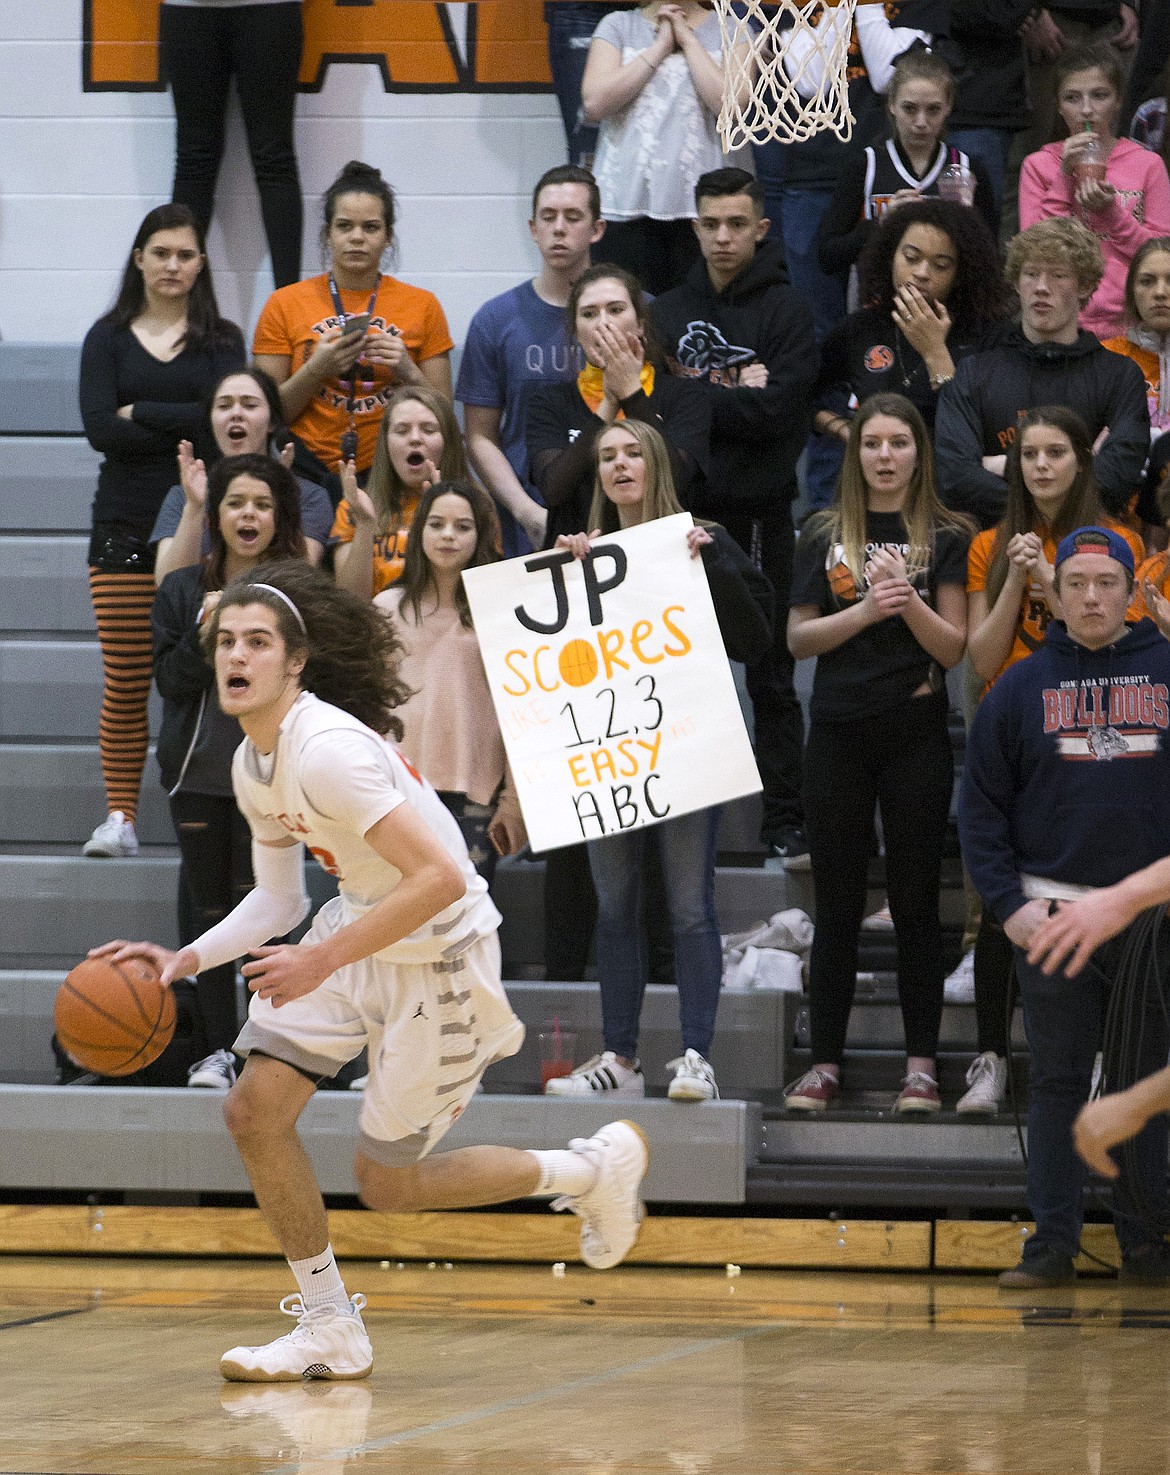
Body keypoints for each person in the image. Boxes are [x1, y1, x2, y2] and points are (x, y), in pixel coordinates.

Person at [93, 561, 650, 1381]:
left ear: (295, 662)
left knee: (386, 1185)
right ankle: (329, 1325)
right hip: (360, 926)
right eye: (226, 641)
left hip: (440, 954)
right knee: (252, 1111)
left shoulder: (326, 750)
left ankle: (589, 1171)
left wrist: (320, 959)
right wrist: (185, 958)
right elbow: (278, 899)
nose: (235, 655)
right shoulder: (255, 762)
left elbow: (443, 875)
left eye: (258, 641)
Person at [960, 525, 1170, 1288]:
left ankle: (1147, 1241)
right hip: (1052, 920)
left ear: (1129, 591)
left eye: (1106, 583)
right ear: (1056, 590)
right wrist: (1010, 907)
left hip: (1152, 922)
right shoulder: (1018, 686)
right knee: (1055, 1079)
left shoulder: (1168, 669)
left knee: (1146, 1079)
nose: (1090, 596)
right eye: (1076, 582)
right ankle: (1051, 1242)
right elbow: (980, 811)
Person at [546, 420, 773, 1103]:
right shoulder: (577, 553)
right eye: (606, 455)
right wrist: (561, 577)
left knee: (688, 905)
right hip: (607, 749)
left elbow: (757, 641)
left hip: (684, 742)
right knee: (614, 903)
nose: (619, 463)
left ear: (655, 466)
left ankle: (695, 1056)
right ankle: (620, 1058)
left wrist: (717, 567)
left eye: (631, 453)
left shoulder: (703, 538)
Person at [784, 394, 972, 1115]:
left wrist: (905, 599)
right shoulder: (823, 530)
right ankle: (824, 1062)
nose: (885, 455)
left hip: (914, 733)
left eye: (898, 442)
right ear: (856, 452)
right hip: (836, 733)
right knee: (836, 906)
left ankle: (920, 1067)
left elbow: (953, 648)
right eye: (872, 443)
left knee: (917, 903)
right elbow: (799, 639)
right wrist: (864, 608)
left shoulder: (946, 532)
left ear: (918, 451)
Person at [957, 408, 1144, 1114]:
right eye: (1028, 453)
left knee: (1105, 902)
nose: (1040, 466)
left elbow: (1115, 640)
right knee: (1000, 907)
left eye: (1055, 452)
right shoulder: (987, 543)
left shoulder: (1115, 543)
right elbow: (979, 661)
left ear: (1079, 462)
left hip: (1100, 726)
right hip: (1016, 725)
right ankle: (992, 1058)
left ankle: (1104, 1058)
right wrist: (1018, 579)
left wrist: (1054, 582)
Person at [651, 166, 817, 864]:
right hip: (679, 516)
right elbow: (655, 410)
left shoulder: (788, 311)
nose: (723, 237)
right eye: (711, 224)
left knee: (771, 673)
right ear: (695, 227)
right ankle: (689, 816)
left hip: (761, 513)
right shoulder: (664, 310)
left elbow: (782, 409)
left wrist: (697, 395)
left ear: (760, 229)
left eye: (736, 225)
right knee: (686, 673)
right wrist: (733, 392)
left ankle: (784, 819)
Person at [78, 203, 246, 860]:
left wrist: (140, 409)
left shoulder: (221, 340)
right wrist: (185, 421)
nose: (173, 265)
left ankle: (228, 807)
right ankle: (120, 816)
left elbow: (221, 424)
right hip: (122, 525)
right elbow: (99, 428)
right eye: (161, 253)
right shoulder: (107, 338)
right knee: (125, 676)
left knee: (211, 672)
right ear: (140, 259)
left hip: (203, 525)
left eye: (185, 254)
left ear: (201, 263)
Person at [152, 454, 309, 1092]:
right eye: (236, 503)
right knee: (211, 911)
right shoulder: (181, 589)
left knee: (272, 915)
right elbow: (169, 680)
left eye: (263, 504)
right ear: (216, 515)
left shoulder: (297, 596)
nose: (249, 514)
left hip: (275, 775)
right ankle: (217, 1050)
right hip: (198, 772)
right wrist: (209, 630)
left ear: (280, 518)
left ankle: (274, 1052)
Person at [253, 160, 453, 501]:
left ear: (388, 236)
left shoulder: (424, 305)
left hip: (391, 470)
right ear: (328, 233)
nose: (357, 238)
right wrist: (316, 369)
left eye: (371, 227)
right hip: (306, 467)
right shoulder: (283, 303)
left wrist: (406, 369)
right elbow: (267, 418)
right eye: (345, 226)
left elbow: (446, 418)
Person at [935, 217, 1150, 530]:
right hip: (995, 547)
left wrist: (1003, 465)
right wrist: (1078, 467)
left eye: (1058, 275)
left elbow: (1117, 477)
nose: (1041, 288)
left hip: (1089, 550)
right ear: (1016, 282)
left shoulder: (1119, 375)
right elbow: (956, 477)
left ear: (1086, 286)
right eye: (1031, 274)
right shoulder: (974, 373)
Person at [373, 479, 524, 884]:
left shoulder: (501, 610)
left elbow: (519, 708)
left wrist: (511, 801)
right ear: (419, 530)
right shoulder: (386, 607)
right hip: (398, 789)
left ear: (482, 536)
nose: (448, 536)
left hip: (478, 790)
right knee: (399, 919)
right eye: (436, 524)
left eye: (463, 526)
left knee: (469, 917)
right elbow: (368, 706)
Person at [457, 165, 604, 558]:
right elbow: (479, 437)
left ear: (597, 229)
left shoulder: (634, 313)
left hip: (614, 506)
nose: (559, 228)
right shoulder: (495, 320)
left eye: (573, 217)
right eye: (548, 217)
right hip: (528, 515)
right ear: (533, 228)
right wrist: (527, 512)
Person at [527, 263, 709, 548]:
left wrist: (631, 392)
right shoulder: (549, 402)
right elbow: (554, 489)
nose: (603, 323)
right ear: (576, 331)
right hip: (578, 558)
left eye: (616, 310)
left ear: (639, 323)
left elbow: (676, 481)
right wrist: (609, 403)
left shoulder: (685, 396)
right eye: (589, 314)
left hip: (664, 557)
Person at [579, 1, 753, 294]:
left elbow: (730, 104)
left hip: (703, 214)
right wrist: (659, 48)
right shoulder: (618, 25)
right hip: (624, 206)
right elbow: (595, 102)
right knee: (628, 316)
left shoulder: (734, 29)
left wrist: (686, 39)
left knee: (696, 320)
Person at [814, 198, 1009, 447]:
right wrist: (843, 428)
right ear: (891, 257)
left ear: (959, 276)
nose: (922, 273)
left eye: (940, 265)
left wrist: (934, 352)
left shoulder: (988, 336)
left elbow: (986, 429)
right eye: (911, 257)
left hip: (949, 478)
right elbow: (800, 394)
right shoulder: (861, 328)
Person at [1020, 43, 1170, 341]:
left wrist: (1113, 214)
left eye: (1099, 96)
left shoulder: (1147, 164)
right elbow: (1036, 252)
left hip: (1131, 327)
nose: (1086, 109)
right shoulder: (1038, 165)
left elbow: (1161, 256)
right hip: (1062, 325)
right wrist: (1064, 176)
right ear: (1059, 106)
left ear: (1118, 101)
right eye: (1072, 98)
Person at [816, 49, 997, 286]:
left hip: (950, 307)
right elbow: (827, 257)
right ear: (891, 104)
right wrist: (881, 223)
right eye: (909, 109)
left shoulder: (967, 168)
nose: (921, 122)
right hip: (879, 305)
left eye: (933, 109)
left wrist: (958, 226)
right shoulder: (864, 166)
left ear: (948, 106)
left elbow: (990, 260)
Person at [159, 0, 304, 289]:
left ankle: (290, 313)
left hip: (270, 8)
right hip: (188, 9)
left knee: (274, 159)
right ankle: (178, 310)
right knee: (194, 161)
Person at [151, 366, 333, 581]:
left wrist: (281, 496)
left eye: (249, 405)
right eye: (224, 405)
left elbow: (298, 578)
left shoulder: (308, 495)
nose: (236, 413)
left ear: (272, 422)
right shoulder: (184, 496)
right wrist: (195, 509)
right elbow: (167, 582)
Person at [332, 385, 466, 599]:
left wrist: (441, 512)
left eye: (428, 430)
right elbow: (351, 603)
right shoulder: (356, 506)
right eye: (402, 431)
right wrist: (366, 525)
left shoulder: (476, 505)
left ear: (447, 442)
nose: (414, 438)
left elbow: (477, 599)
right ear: (385, 444)